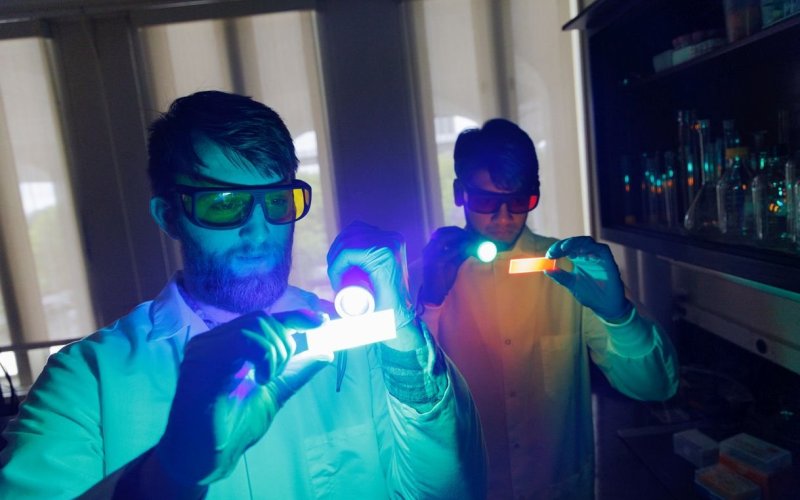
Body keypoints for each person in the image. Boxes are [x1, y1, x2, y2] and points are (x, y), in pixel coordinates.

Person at [0, 91, 486, 499]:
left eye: (276, 200)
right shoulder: (88, 381)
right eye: (223, 204)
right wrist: (169, 473)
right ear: (169, 215)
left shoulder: (354, 344)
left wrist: (403, 339)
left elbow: (446, 489)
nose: (257, 232)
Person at [414, 118, 679, 499]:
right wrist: (430, 304)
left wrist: (619, 316)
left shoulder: (568, 270)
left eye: (520, 201)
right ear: (460, 193)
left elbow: (657, 386)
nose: (505, 218)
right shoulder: (423, 281)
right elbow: (402, 405)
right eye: (487, 201)